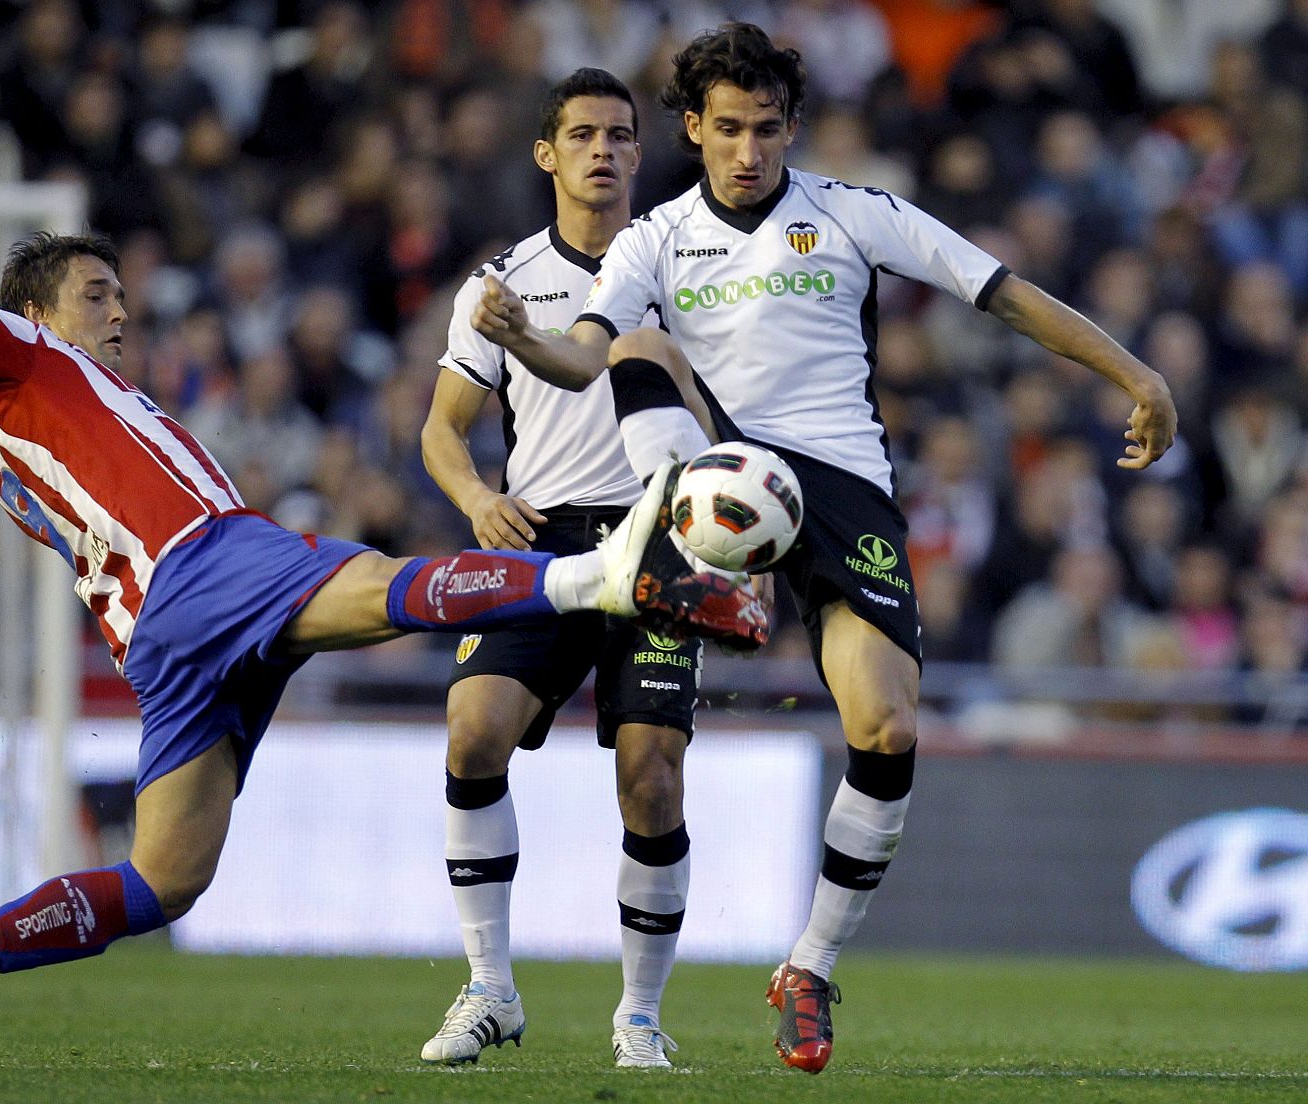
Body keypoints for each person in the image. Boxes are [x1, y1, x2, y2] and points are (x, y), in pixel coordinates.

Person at [0, 141, 767, 1066]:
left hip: (155, 643)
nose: (119, 310)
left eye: (121, 294)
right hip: (197, 567)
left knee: (165, 879)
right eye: (94, 293)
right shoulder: (15, 352)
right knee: (368, 583)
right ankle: (610, 573)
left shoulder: (59, 411)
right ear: (30, 311)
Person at [467, 23, 1177, 1074]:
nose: (747, 151)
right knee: (642, 341)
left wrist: (1138, 377)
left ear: (791, 127)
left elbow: (1004, 293)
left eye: (765, 129)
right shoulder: (654, 239)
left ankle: (808, 965)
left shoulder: (851, 214)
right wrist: (523, 338)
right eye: (726, 131)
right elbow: (582, 359)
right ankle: (699, 562)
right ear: (693, 132)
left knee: (886, 727)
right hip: (720, 469)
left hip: (840, 490)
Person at [419, 68, 695, 1070]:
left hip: (661, 539)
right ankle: (489, 987)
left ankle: (638, 1017)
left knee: (651, 780)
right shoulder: (500, 284)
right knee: (470, 729)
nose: (603, 151)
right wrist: (477, 500)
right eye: (581, 134)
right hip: (540, 543)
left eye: (621, 136)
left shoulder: (684, 261)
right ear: (546, 153)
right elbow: (442, 432)